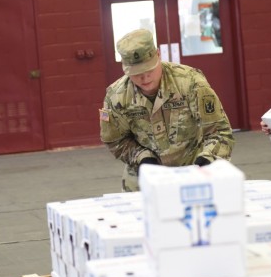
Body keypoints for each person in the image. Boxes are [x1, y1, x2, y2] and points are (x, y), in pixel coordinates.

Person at [99, 29, 235, 192]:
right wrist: (141, 158)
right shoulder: (117, 96)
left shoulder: (190, 82)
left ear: (158, 55)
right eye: (137, 73)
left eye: (149, 70)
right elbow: (115, 140)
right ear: (124, 68)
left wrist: (207, 161)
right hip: (144, 177)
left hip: (195, 169)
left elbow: (219, 131)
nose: (144, 78)